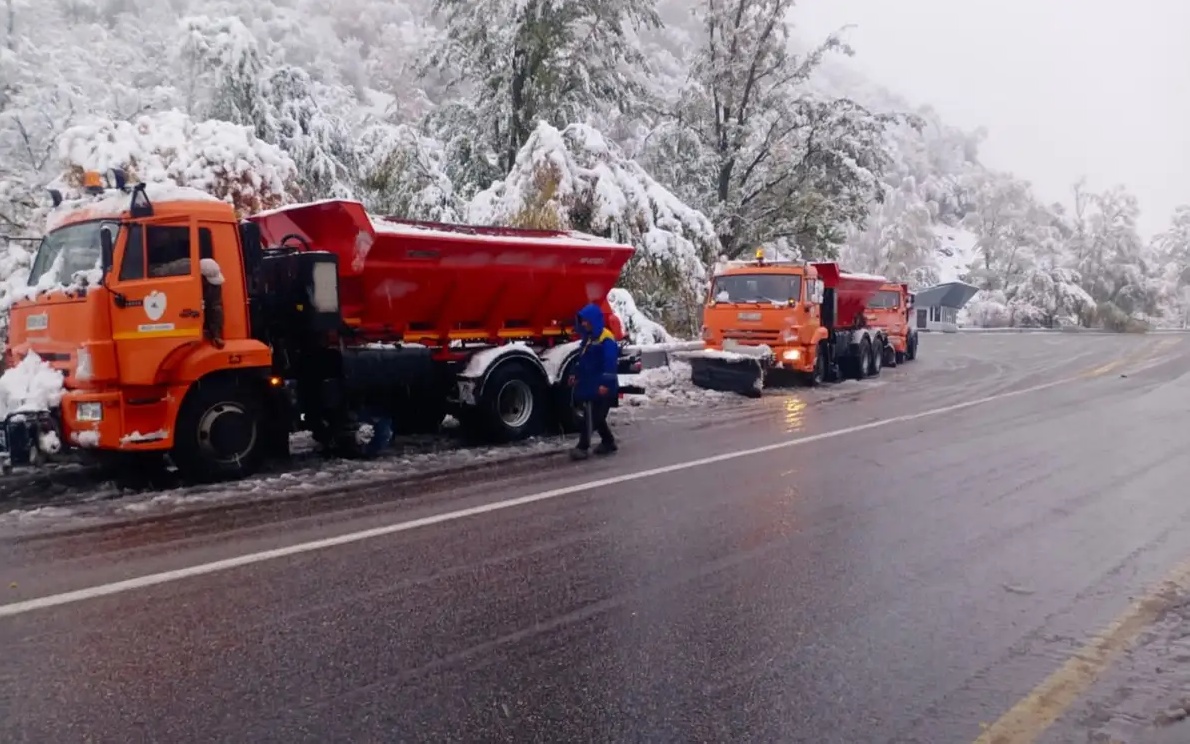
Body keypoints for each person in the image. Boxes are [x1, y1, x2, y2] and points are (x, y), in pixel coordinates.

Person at [568, 303, 619, 459]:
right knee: (596, 416)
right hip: (592, 385)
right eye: (582, 321)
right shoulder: (588, 339)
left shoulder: (606, 339)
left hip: (604, 387)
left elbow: (610, 364)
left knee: (593, 417)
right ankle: (608, 442)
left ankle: (582, 447)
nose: (583, 323)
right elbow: (581, 361)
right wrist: (574, 374)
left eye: (585, 320)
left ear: (593, 320)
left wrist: (606, 385)